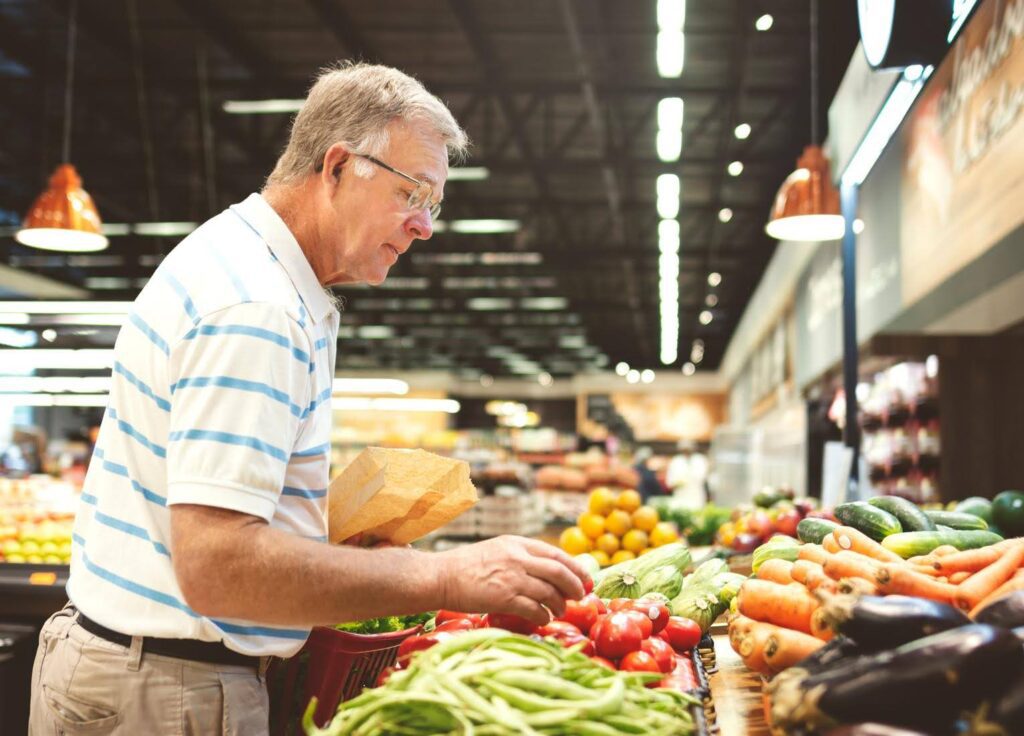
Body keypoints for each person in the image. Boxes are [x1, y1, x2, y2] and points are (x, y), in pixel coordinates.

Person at [29, 62, 589, 735]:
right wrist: (443, 577)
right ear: (337, 168)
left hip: (139, 671)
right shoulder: (256, 307)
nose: (425, 227)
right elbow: (217, 566)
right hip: (167, 690)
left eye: (433, 204)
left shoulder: (258, 272)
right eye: (414, 193)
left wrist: (331, 540)